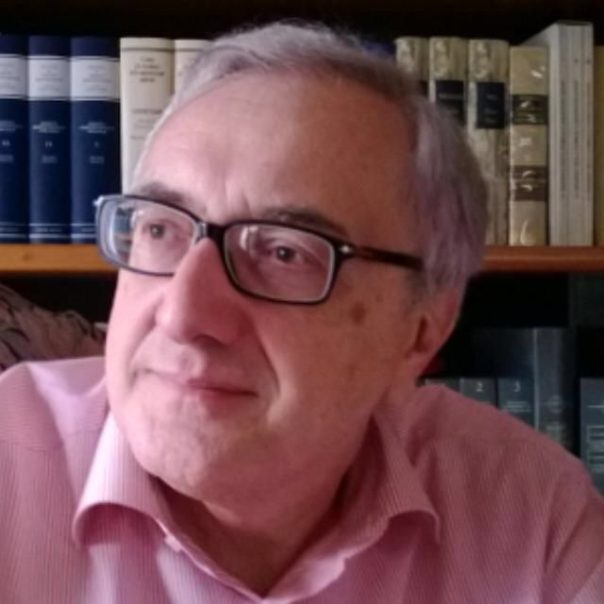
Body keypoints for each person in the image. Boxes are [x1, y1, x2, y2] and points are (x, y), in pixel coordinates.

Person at [1, 21, 603, 603]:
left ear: (421, 330)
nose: (184, 315)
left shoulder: (533, 516)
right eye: (160, 229)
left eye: (285, 252)